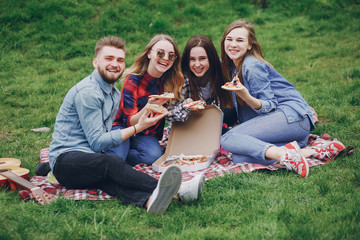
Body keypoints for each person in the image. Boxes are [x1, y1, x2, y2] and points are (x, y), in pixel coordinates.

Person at [46, 36, 202, 214]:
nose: (115, 64)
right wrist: (138, 127)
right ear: (95, 62)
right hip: (66, 161)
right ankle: (178, 190)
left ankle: (148, 201)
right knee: (111, 163)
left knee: (109, 178)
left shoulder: (112, 93)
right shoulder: (89, 93)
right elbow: (97, 142)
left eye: (120, 60)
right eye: (109, 59)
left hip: (84, 164)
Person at [219, 19, 328, 178]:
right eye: (229, 39)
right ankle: (305, 151)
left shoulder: (251, 65)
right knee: (239, 156)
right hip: (293, 133)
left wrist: (245, 95)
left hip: (293, 117)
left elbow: (269, 107)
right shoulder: (233, 68)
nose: (233, 44)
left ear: (250, 45)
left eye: (239, 40)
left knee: (228, 138)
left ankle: (285, 155)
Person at [106, 34, 185, 166]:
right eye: (160, 54)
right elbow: (130, 122)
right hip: (123, 128)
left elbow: (173, 111)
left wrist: (186, 105)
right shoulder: (132, 80)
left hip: (146, 134)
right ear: (149, 53)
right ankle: (110, 152)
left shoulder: (169, 81)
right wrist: (148, 108)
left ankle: (117, 153)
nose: (166, 58)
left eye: (171, 56)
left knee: (153, 156)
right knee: (117, 158)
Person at [166, 35, 234, 133]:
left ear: (211, 58)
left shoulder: (219, 70)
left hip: (213, 120)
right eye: (192, 59)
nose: (197, 64)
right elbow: (169, 114)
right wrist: (186, 106)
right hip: (188, 127)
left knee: (232, 111)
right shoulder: (182, 79)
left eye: (202, 58)